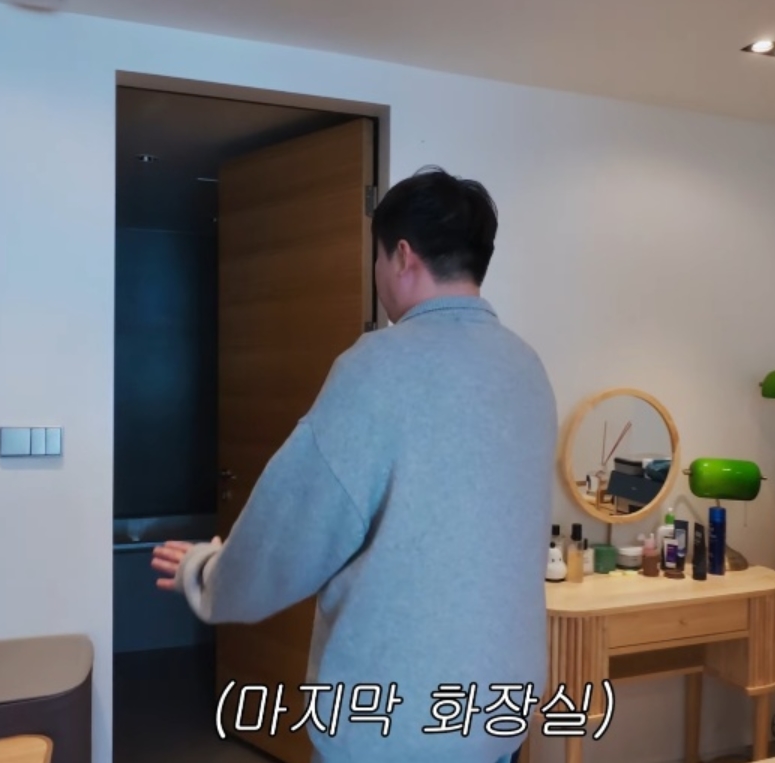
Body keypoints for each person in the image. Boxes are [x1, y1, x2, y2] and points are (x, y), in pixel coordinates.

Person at [151, 166, 556, 763]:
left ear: (402, 256)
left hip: (394, 725)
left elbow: (289, 537)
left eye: (377, 257)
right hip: (498, 711)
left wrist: (208, 570)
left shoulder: (377, 369)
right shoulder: (527, 369)